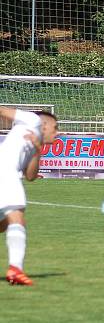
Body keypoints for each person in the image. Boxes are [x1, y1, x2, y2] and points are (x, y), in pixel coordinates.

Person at [0, 106, 59, 285]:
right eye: (55, 128)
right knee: (16, 218)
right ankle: (15, 269)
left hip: (8, 175)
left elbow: (31, 176)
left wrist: (38, 150)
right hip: (5, 173)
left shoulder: (35, 142)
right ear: (44, 125)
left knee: (8, 224)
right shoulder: (32, 119)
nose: (57, 133)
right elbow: (2, 111)